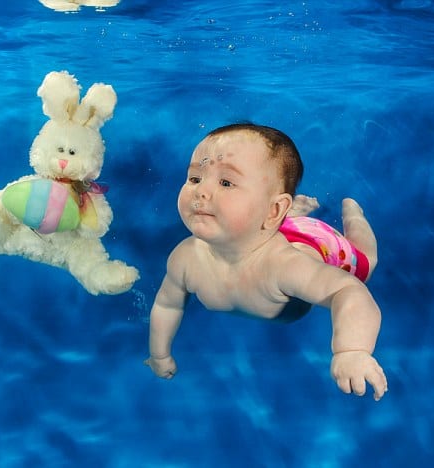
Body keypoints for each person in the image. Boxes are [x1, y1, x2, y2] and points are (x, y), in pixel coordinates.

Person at [144, 123, 388, 401]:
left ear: (273, 210)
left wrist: (352, 351)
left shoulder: (285, 267)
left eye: (226, 183)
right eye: (195, 178)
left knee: (366, 262)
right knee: (256, 226)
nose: (201, 192)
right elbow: (167, 304)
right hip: (266, 229)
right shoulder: (186, 257)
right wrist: (159, 354)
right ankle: (291, 214)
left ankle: (353, 213)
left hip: (319, 245)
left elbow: (350, 292)